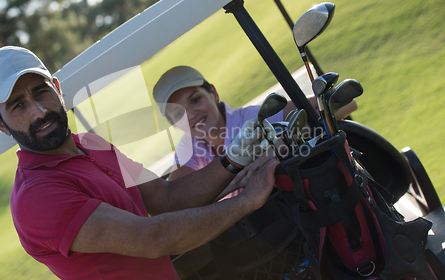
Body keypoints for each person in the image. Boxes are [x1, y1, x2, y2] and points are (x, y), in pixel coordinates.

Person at [0, 46, 279, 280]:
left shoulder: (92, 144)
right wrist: (244, 201)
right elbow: (152, 237)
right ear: (0, 124)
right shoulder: (37, 196)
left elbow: (167, 197)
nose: (39, 112)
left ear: (57, 89)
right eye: (18, 106)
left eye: (41, 92)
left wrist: (234, 159)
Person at [153, 66, 357, 191]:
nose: (190, 115)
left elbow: (346, 103)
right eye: (178, 114)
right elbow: (173, 199)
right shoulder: (188, 148)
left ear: (213, 94)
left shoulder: (251, 119)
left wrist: (276, 146)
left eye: (195, 100)